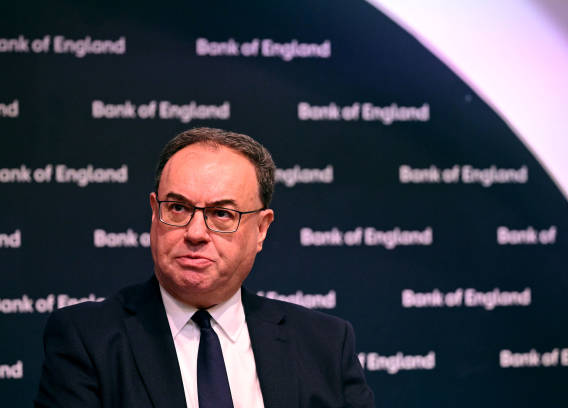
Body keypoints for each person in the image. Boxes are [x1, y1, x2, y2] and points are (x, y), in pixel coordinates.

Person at [35, 127, 375, 408]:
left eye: (222, 214)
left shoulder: (325, 344)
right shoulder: (87, 339)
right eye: (178, 208)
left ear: (261, 229)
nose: (195, 233)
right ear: (154, 213)